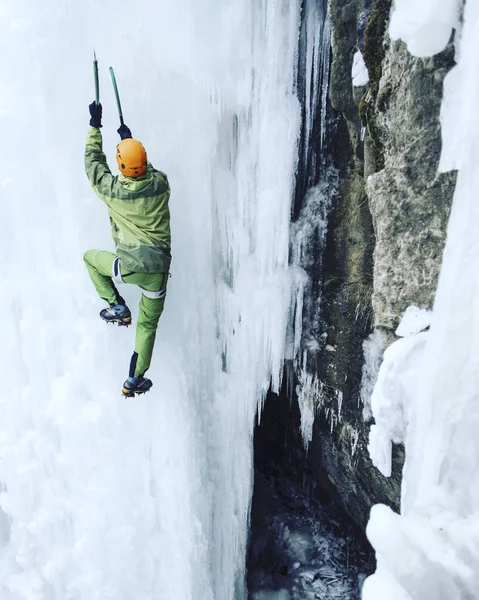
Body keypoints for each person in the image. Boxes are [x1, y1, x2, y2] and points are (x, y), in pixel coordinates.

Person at [83, 101, 171, 397]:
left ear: (121, 167)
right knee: (147, 326)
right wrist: (127, 140)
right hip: (158, 274)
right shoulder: (161, 185)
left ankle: (117, 306)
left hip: (130, 268)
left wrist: (95, 126)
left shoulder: (114, 192)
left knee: (91, 259)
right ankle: (134, 379)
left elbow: (94, 167)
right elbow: (148, 170)